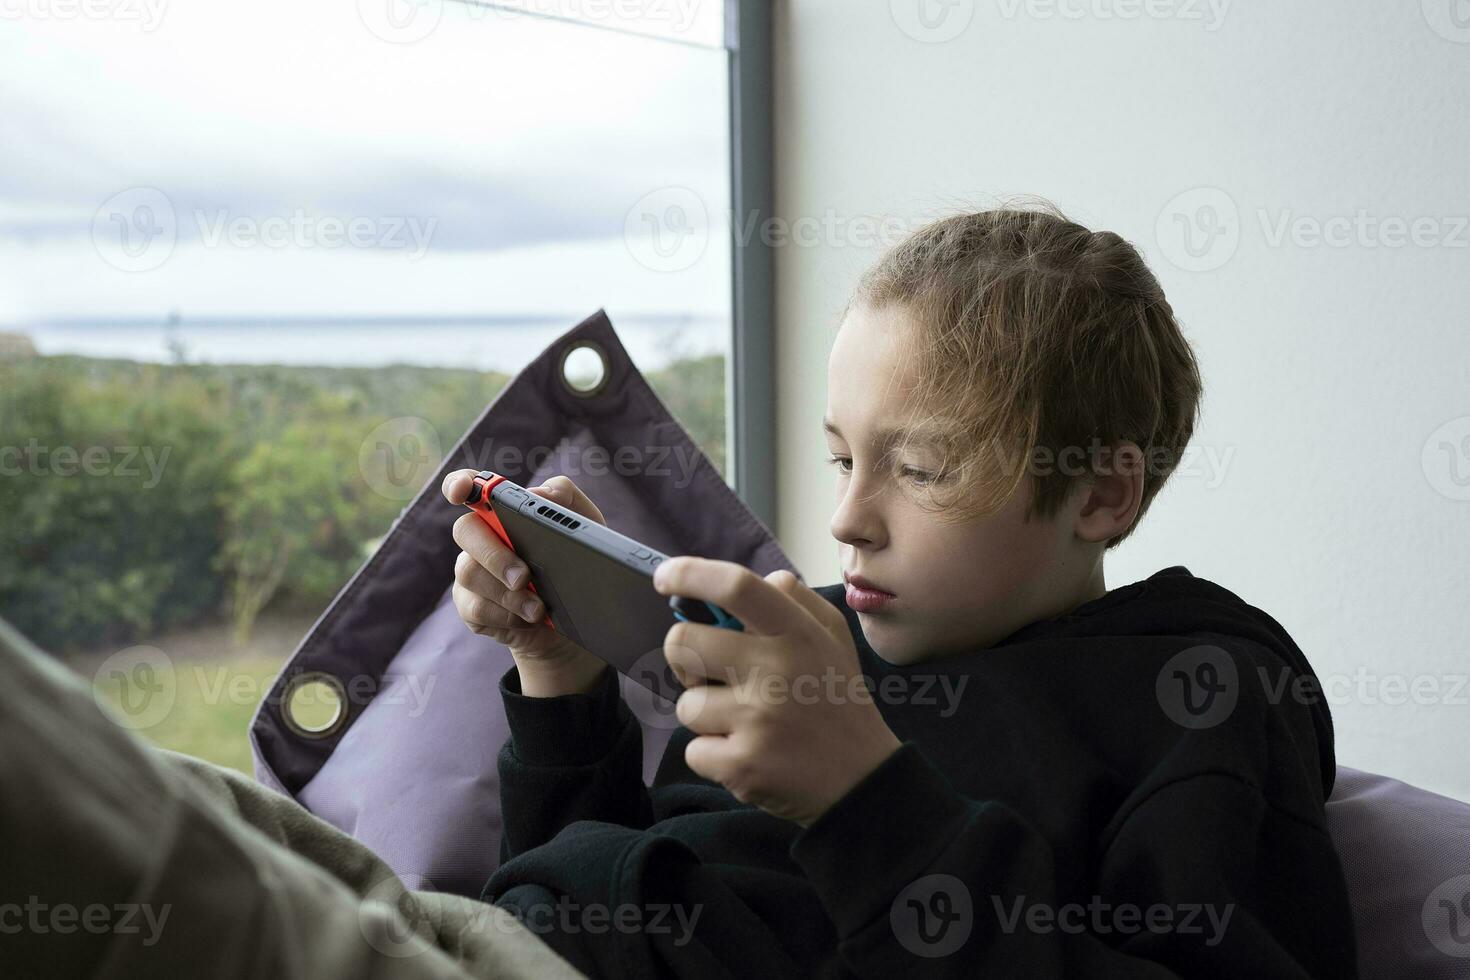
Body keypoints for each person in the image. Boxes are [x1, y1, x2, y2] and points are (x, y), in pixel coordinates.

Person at [441, 204, 1359, 978]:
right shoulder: (813, 636)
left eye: (919, 470)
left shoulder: (1198, 699)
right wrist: (556, 675)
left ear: (1101, 492)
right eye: (842, 456)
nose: (846, 519)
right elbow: (606, 888)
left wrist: (864, 801)